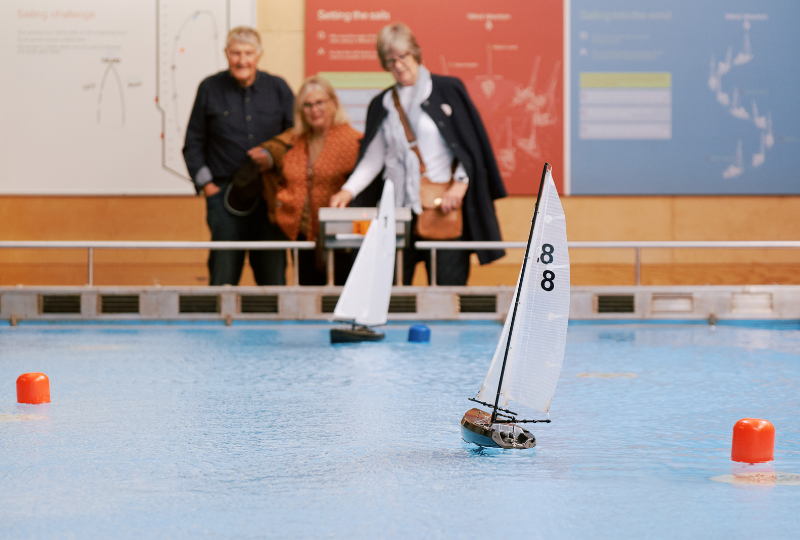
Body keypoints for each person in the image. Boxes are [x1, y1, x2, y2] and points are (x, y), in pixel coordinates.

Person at [329, 22, 506, 286]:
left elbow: (470, 146)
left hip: (441, 207)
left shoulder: (448, 89)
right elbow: (373, 158)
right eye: (390, 61)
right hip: (398, 210)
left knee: (447, 287)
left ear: (416, 53)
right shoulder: (383, 103)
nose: (399, 65)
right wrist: (348, 190)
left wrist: (460, 184)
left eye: (403, 56)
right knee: (393, 290)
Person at [183, 26, 294, 286]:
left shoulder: (279, 88)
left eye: (248, 53)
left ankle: (273, 327)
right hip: (223, 198)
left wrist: (273, 158)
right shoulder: (209, 88)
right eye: (235, 53)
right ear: (225, 54)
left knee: (273, 277)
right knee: (223, 275)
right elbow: (193, 143)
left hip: (269, 197)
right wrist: (208, 188)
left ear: (259, 55)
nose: (241, 60)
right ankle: (218, 326)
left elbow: (296, 138)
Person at [259, 76, 362, 285]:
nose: (314, 110)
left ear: (333, 103)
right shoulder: (295, 140)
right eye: (307, 105)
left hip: (340, 238)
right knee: (308, 296)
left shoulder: (352, 140)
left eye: (319, 103)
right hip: (301, 234)